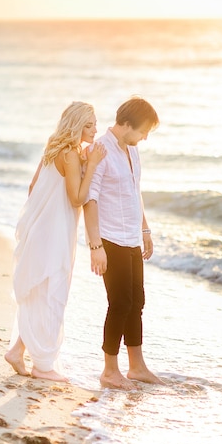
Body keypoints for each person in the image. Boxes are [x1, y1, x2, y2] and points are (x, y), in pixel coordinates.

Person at [5, 102, 106, 381]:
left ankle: (16, 351)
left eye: (96, 124)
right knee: (53, 293)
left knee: (41, 290)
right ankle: (43, 366)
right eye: (89, 125)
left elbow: (32, 188)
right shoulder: (71, 154)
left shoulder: (53, 147)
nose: (95, 129)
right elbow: (76, 199)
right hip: (56, 232)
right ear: (75, 125)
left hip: (41, 228)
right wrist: (93, 165)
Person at [83, 96, 162, 390]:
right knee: (119, 304)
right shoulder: (99, 149)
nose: (144, 138)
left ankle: (137, 367)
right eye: (143, 131)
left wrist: (145, 230)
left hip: (131, 237)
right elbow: (89, 199)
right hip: (110, 238)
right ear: (126, 124)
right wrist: (95, 246)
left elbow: (134, 190)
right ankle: (109, 371)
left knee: (137, 303)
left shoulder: (132, 150)